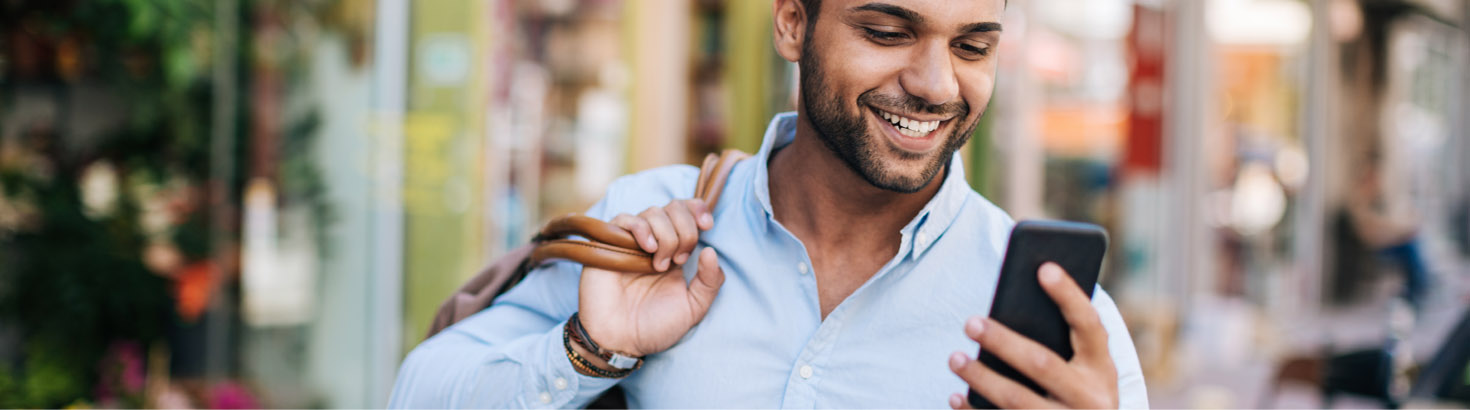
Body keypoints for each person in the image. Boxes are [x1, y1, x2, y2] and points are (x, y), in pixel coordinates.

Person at [389, 0, 1147, 408]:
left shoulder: (1062, 328)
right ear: (792, 21)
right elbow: (416, 395)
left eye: (972, 48)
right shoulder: (648, 225)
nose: (936, 84)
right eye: (886, 31)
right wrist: (590, 350)